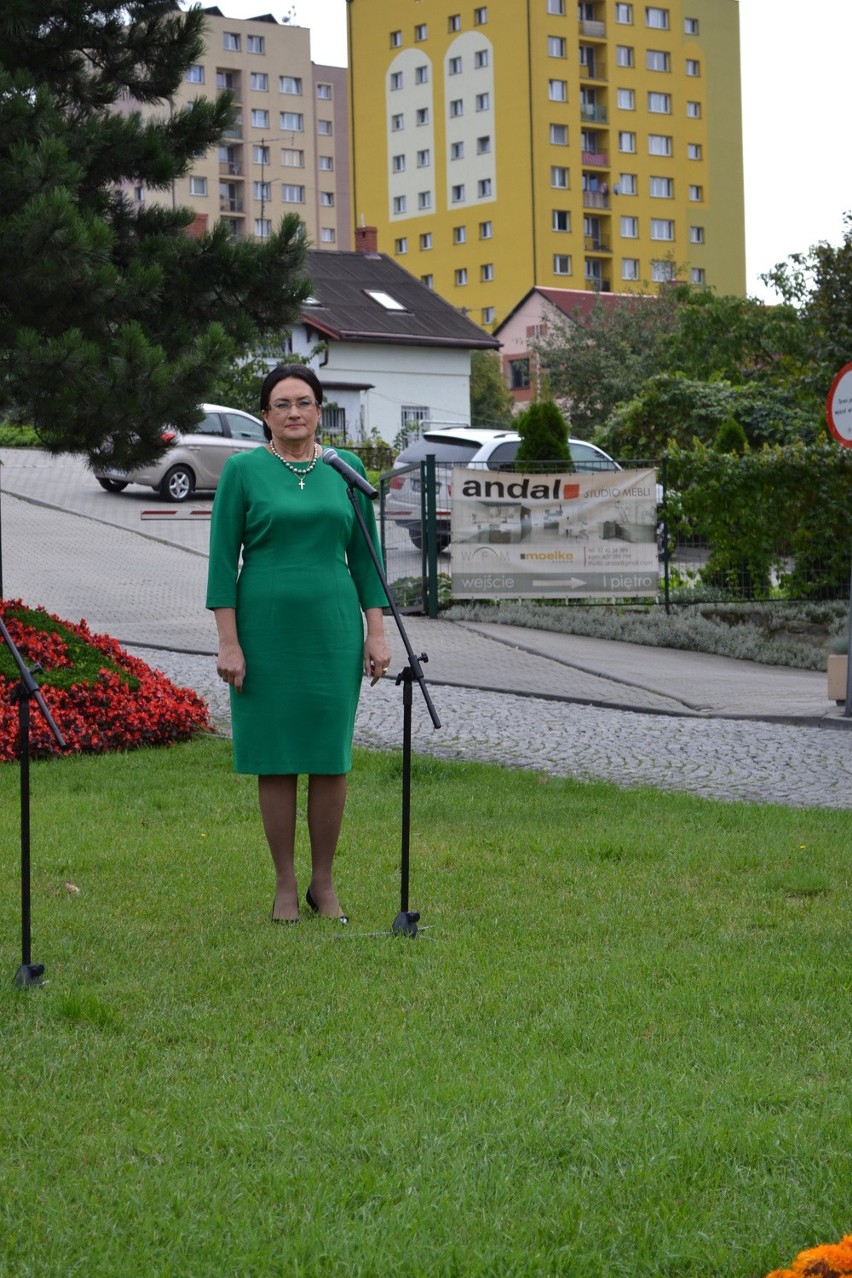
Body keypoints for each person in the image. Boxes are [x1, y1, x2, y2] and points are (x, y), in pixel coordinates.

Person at [206, 365, 391, 925]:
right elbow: (221, 565)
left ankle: (323, 883)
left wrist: (376, 632)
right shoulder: (242, 471)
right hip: (264, 629)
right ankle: (285, 885)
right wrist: (229, 643)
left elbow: (367, 559)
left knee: (330, 759)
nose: (294, 413)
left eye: (304, 403)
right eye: (281, 404)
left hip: (333, 630)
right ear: (265, 414)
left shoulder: (346, 468)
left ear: (318, 410)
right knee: (277, 759)